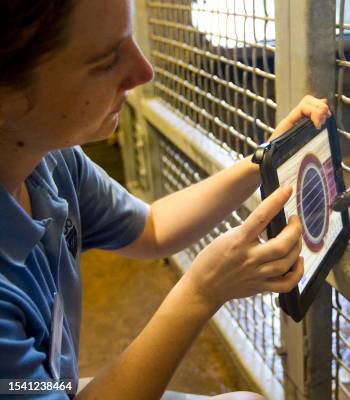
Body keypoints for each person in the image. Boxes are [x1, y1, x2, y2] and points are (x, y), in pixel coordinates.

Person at [0, 0, 331, 399]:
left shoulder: (49, 161)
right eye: (106, 60)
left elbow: (153, 228)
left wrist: (265, 159)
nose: (144, 72)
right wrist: (201, 292)